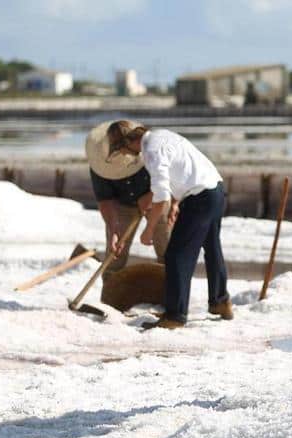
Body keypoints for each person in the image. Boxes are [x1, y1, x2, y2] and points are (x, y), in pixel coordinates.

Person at [104, 120, 234, 330]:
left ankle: (175, 316)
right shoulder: (161, 135)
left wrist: (149, 229)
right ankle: (221, 302)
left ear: (128, 142)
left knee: (176, 256)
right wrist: (174, 201)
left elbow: (162, 197)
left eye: (121, 150)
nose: (125, 155)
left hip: (199, 198)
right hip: (215, 191)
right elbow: (179, 173)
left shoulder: (151, 151)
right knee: (212, 248)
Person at [86, 121, 171, 280]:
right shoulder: (99, 162)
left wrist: (151, 195)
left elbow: (170, 177)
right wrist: (113, 228)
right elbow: (105, 200)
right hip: (122, 205)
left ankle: (170, 289)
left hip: (156, 199)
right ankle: (110, 290)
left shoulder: (150, 149)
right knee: (115, 253)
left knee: (167, 248)